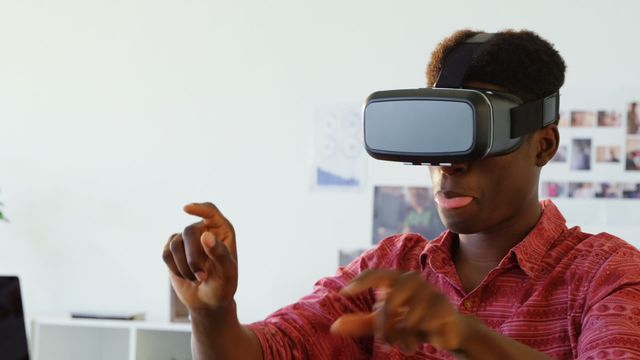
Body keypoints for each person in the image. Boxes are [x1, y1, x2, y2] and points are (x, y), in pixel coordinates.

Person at [162, 29, 640, 359]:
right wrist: (212, 313)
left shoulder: (605, 275)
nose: (450, 163)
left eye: (476, 132)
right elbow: (266, 352)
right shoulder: (389, 269)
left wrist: (466, 337)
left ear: (544, 145)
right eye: (438, 133)